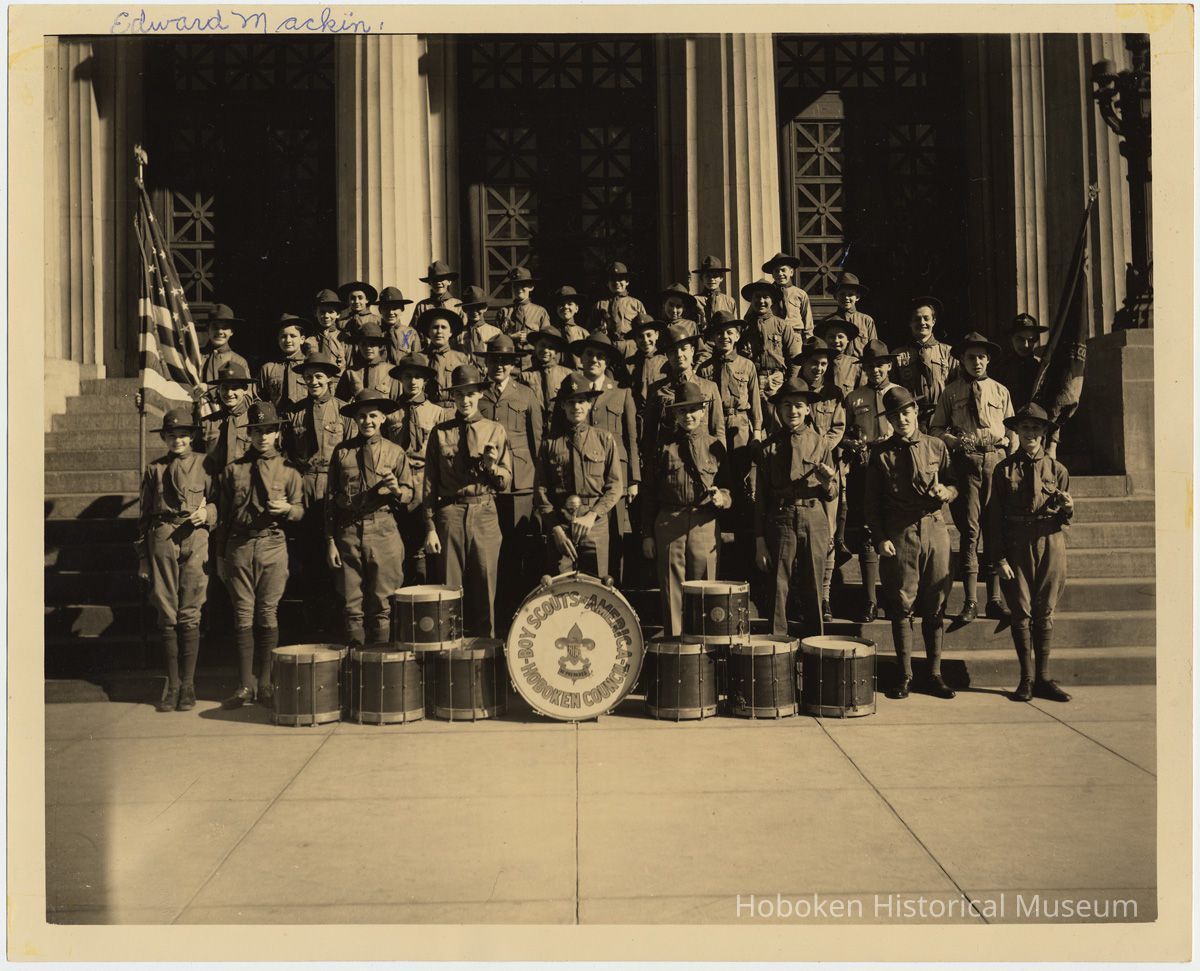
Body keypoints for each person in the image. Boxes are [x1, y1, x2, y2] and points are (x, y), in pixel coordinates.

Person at [865, 386, 959, 700]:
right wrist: (879, 539)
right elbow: (872, 503)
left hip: (934, 529)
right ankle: (904, 675)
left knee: (936, 603)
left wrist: (947, 492)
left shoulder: (937, 447)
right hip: (899, 533)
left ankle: (934, 674)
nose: (903, 419)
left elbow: (953, 483)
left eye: (907, 412)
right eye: (895, 415)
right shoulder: (880, 454)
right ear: (889, 419)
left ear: (916, 412)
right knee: (901, 603)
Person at [217, 401, 306, 709]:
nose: (263, 437)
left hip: (272, 545)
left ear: (278, 433)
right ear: (249, 434)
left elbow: (300, 509)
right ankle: (245, 686)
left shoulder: (290, 470)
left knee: (267, 613)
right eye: (257, 431)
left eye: (268, 431)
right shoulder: (234, 470)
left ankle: (266, 683)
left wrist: (288, 511)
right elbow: (223, 516)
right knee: (242, 614)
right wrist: (219, 556)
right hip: (239, 547)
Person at [989, 403, 1074, 703]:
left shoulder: (1058, 470)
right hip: (1017, 543)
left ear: (1044, 432)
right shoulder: (1003, 470)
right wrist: (998, 558)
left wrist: (1068, 508)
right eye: (1025, 428)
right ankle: (1026, 679)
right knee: (1022, 611)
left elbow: (1065, 514)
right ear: (1016, 431)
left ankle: (1044, 679)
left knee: (1044, 610)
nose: (1031, 433)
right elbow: (993, 518)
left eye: (1037, 428)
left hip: (1050, 541)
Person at [930, 331, 1016, 623]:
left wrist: (1009, 450)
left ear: (988, 359)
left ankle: (994, 600)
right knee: (970, 532)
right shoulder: (950, 392)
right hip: (966, 464)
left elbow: (1012, 430)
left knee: (995, 529)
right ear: (962, 360)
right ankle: (970, 601)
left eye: (981, 356)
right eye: (971, 357)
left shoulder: (1000, 391)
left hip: (995, 461)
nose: (976, 362)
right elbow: (935, 429)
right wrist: (951, 442)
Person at [136, 408, 218, 713]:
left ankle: (188, 685)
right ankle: (171, 685)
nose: (178, 440)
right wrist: (143, 558)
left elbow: (219, 503)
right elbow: (143, 518)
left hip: (195, 536)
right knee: (167, 611)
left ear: (193, 436)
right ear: (165, 438)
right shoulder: (154, 469)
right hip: (162, 536)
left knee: (190, 611)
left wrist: (207, 514)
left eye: (183, 434)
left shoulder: (206, 464)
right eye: (172, 435)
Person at [423, 364, 513, 637]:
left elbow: (506, 481)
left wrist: (491, 467)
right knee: (450, 592)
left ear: (479, 395)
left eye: (470, 394)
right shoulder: (440, 433)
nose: (465, 400)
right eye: (460, 395)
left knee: (485, 587)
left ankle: (485, 658)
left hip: (484, 511)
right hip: (449, 514)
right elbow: (428, 484)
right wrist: (429, 527)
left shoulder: (494, 430)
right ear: (453, 398)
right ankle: (450, 660)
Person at [326, 389, 416, 648]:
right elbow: (331, 499)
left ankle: (380, 664)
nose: (367, 421)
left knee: (383, 603)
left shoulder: (395, 452)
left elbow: (410, 493)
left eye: (373, 416)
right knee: (351, 602)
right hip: (348, 530)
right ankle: (357, 665)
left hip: (383, 530)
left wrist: (397, 490)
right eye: (362, 416)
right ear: (355, 420)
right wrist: (330, 540)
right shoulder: (342, 452)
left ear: (383, 419)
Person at [641, 382, 733, 636]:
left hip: (704, 524)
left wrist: (722, 498)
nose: (688, 416)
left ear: (703, 411)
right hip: (670, 523)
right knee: (673, 591)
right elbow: (648, 493)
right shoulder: (663, 447)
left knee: (705, 588)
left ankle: (705, 647)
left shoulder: (715, 446)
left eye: (693, 410)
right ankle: (677, 648)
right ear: (675, 415)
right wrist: (647, 533)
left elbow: (728, 489)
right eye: (682, 411)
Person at [753, 375, 837, 639]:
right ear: (779, 409)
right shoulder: (768, 448)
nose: (793, 411)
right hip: (781, 518)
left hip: (814, 518)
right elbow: (761, 499)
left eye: (799, 405)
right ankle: (778, 647)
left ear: (808, 409)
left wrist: (826, 481)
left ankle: (816, 647)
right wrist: (759, 540)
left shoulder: (821, 442)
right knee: (779, 586)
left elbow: (833, 493)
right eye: (787, 405)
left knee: (813, 585)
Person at [281, 351, 353, 633]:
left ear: (330, 379)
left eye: (319, 376)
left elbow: (349, 452)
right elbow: (286, 452)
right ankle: (314, 623)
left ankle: (338, 620)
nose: (313, 381)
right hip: (305, 484)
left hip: (333, 485)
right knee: (310, 553)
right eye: (309, 377)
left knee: (336, 552)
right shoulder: (294, 413)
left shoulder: (344, 411)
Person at [533, 373, 624, 578]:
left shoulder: (604, 439)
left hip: (595, 525)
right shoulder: (549, 444)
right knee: (560, 589)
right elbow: (540, 491)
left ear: (590, 404)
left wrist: (592, 516)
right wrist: (555, 528)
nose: (576, 407)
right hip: (561, 526)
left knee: (596, 589)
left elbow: (615, 486)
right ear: (563, 406)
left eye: (581, 401)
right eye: (571, 402)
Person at [477, 335, 541, 621]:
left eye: (504, 361)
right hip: (487, 484)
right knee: (492, 553)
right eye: (494, 360)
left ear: (513, 364)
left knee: (519, 550)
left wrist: (539, 486)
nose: (499, 366)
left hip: (520, 484)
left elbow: (537, 441)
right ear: (486, 363)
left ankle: (520, 613)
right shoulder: (478, 396)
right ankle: (498, 614)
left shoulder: (526, 394)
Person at [571, 331, 641, 582]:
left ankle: (613, 592)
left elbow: (631, 438)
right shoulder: (572, 389)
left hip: (615, 476)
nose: (594, 360)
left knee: (613, 536)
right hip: (583, 476)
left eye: (600, 356)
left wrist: (633, 479)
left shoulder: (621, 393)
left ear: (607, 362)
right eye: (590, 354)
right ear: (582, 358)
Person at [841, 340, 901, 622]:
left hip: (895, 470)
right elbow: (842, 433)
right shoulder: (854, 398)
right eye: (869, 366)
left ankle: (894, 596)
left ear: (889, 365)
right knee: (868, 531)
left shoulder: (900, 394)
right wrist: (854, 445)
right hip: (865, 470)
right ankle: (870, 600)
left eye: (880, 365)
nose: (875, 370)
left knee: (894, 531)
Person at [697, 311, 763, 548]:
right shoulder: (703, 368)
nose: (725, 336)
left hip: (739, 427)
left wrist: (756, 433)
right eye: (720, 333)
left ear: (737, 336)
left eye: (729, 332)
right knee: (717, 474)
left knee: (742, 479)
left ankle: (742, 537)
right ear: (713, 337)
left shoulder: (747, 365)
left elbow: (755, 403)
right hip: (714, 427)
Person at [793, 336, 847, 622]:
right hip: (795, 471)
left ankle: (823, 597)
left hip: (826, 471)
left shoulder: (834, 393)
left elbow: (838, 428)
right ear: (803, 363)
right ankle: (800, 597)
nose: (819, 368)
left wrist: (818, 448)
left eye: (824, 364)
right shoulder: (792, 390)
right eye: (814, 363)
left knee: (825, 538)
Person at [384, 353, 449, 585]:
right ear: (400, 379)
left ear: (425, 381)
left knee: (425, 545)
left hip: (425, 484)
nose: (413, 381)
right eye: (408, 376)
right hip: (397, 484)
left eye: (418, 377)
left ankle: (423, 596)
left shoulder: (438, 413)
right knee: (398, 545)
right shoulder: (390, 414)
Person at [644, 322, 726, 466]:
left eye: (683, 349)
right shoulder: (656, 390)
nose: (679, 355)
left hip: (704, 460)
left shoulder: (709, 387)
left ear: (692, 351)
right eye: (673, 351)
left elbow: (718, 431)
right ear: (667, 355)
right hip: (670, 464)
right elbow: (649, 435)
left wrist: (720, 464)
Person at [992, 313, 1060, 457]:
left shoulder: (1042, 369)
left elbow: (1053, 404)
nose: (1025, 345)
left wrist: (1052, 443)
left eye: (1031, 340)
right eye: (1020, 339)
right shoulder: (999, 369)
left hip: (1035, 431)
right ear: (1011, 339)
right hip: (1008, 430)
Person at [740, 277, 803, 418]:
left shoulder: (782, 325)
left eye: (765, 297)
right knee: (753, 421)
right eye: (757, 297)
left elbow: (795, 357)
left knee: (776, 421)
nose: (761, 301)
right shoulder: (744, 327)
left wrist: (790, 383)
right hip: (751, 380)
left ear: (772, 300)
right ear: (751, 299)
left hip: (776, 380)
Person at [893, 296, 958, 429]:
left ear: (933, 321)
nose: (922, 323)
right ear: (910, 323)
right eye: (917, 319)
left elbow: (957, 386)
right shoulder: (898, 355)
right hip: (911, 418)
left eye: (926, 318)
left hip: (942, 417)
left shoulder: (948, 352)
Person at [202, 360, 255, 476]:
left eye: (235, 388)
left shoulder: (255, 419)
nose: (229, 393)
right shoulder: (207, 423)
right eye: (225, 388)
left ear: (245, 389)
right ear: (219, 390)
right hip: (216, 486)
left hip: (246, 484)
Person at [199, 304, 251, 416]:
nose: (220, 331)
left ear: (232, 331)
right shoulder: (196, 357)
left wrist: (230, 415)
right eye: (215, 327)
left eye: (225, 327)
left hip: (227, 418)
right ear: (207, 329)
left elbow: (247, 395)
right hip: (198, 414)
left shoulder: (239, 361)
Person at [517, 326, 574, 424]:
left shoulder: (567, 374)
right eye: (542, 345)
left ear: (556, 351)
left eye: (551, 347)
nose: (546, 350)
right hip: (534, 425)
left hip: (560, 427)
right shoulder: (525, 376)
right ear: (535, 347)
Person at [257, 313, 312, 409]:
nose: (288, 340)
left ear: (302, 339)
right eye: (283, 336)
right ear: (278, 340)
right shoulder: (268, 369)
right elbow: (258, 398)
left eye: (293, 336)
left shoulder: (309, 366)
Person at [336, 321, 401, 401]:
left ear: (380, 346)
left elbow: (397, 403)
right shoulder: (350, 373)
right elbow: (340, 402)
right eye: (363, 344)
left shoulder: (391, 372)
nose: (368, 348)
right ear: (358, 346)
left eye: (372, 344)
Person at [417, 308, 472, 402]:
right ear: (429, 332)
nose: (439, 331)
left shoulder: (461, 358)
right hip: (428, 409)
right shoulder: (419, 358)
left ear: (450, 332)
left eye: (443, 327)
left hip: (454, 408)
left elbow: (468, 389)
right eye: (435, 327)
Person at [762, 251, 814, 341]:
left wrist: (808, 339)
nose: (780, 274)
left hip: (795, 334)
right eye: (776, 271)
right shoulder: (766, 294)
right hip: (773, 335)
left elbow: (807, 319)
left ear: (791, 272)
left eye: (783, 270)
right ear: (773, 275)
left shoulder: (800, 294)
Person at [589, 261, 648, 337]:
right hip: (608, 344)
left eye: (620, 279)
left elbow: (645, 329)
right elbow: (590, 330)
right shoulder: (600, 305)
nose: (617, 282)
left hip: (630, 344)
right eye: (613, 279)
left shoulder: (636, 304)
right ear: (607, 283)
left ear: (627, 282)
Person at [625, 313, 668, 418]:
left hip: (659, 417)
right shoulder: (628, 364)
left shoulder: (666, 363)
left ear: (657, 335)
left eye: (649, 335)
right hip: (635, 416)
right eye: (640, 336)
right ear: (635, 339)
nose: (645, 340)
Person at [829, 272, 878, 359]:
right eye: (842, 294)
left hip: (861, 367)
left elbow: (874, 349)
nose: (846, 298)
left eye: (850, 294)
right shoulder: (829, 321)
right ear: (835, 296)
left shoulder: (866, 320)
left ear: (858, 297)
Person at [495, 266, 551, 339]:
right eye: (515, 285)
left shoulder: (540, 312)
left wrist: (529, 338)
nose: (519, 289)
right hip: (510, 350)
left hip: (532, 350)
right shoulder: (504, 312)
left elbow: (546, 339)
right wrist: (511, 337)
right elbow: (496, 338)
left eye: (523, 285)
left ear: (531, 287)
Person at [816, 316, 863, 397]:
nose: (836, 341)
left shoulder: (856, 365)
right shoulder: (817, 363)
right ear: (824, 339)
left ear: (848, 339)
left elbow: (862, 393)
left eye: (840, 337)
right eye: (831, 337)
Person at [453, 285, 502, 362]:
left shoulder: (495, 332)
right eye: (470, 308)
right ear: (464, 309)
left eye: (479, 307)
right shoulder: (458, 333)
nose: (475, 311)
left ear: (485, 308)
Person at [410, 260, 466, 326]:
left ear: (449, 282)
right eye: (434, 279)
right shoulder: (422, 306)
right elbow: (412, 331)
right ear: (429, 283)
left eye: (442, 278)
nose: (438, 282)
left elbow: (465, 330)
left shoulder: (458, 305)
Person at [307, 289, 349, 374]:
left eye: (330, 312)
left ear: (338, 314)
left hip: (339, 384)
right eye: (322, 312)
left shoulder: (344, 339)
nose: (326, 316)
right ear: (315, 313)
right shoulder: (309, 340)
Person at [691, 254, 737, 330]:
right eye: (708, 276)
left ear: (721, 278)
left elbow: (734, 327)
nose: (712, 279)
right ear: (702, 279)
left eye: (715, 276)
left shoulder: (729, 301)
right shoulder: (695, 300)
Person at [379, 286, 420, 364]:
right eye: (386, 308)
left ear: (402, 309)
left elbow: (417, 361)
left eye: (395, 308)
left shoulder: (411, 333)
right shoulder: (376, 334)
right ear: (380, 310)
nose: (391, 312)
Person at [336, 280, 381, 350]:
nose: (356, 301)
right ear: (348, 301)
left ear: (367, 300)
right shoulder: (341, 323)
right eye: (353, 298)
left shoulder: (376, 321)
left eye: (360, 298)